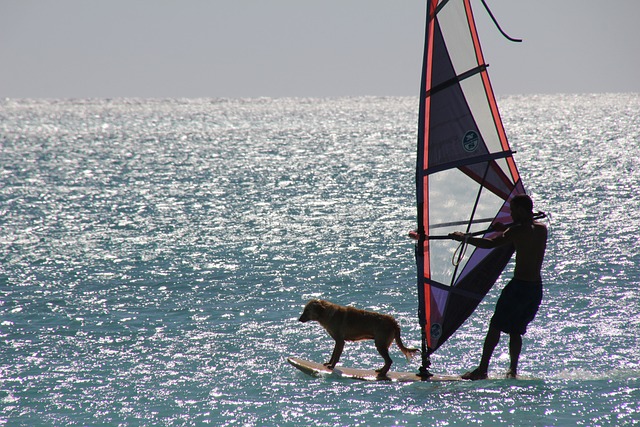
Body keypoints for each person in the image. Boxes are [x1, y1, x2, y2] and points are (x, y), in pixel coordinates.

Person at [449, 194, 547, 380]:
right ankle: (513, 371)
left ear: (520, 210)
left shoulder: (516, 231)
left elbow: (491, 244)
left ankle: (482, 370)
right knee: (516, 330)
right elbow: (524, 228)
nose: (510, 214)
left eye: (512, 211)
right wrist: (506, 228)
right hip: (534, 288)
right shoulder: (542, 229)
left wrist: (465, 238)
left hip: (518, 287)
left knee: (495, 326)